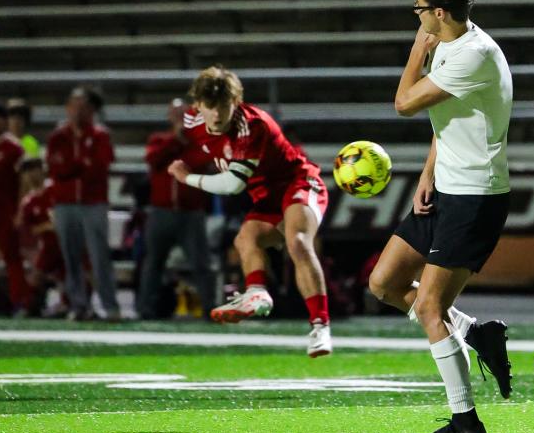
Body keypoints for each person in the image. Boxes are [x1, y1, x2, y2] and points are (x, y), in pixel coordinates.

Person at [368, 0, 512, 433]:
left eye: (421, 10)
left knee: (429, 307)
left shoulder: (473, 54)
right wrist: (427, 174)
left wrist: (415, 51)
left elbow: (405, 103)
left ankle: (466, 422)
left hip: (475, 196)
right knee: (385, 283)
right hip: (447, 188)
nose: (418, 17)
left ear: (442, 14)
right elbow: (446, 116)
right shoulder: (455, 44)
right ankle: (474, 332)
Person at [168, 66, 332, 356]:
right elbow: (208, 149)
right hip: (267, 195)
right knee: (245, 238)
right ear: (198, 105)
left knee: (297, 242)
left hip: (298, 182)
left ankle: (320, 326)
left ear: (236, 102)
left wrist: (187, 177)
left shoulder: (252, 125)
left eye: (224, 106)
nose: (217, 114)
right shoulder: (192, 121)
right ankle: (256, 292)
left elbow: (232, 184)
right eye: (210, 106)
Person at [137, 99, 216, 320]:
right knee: (153, 262)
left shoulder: (200, 142)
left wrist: (186, 141)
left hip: (191, 212)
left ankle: (210, 308)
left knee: (201, 263)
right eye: (177, 114)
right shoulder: (159, 140)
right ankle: (146, 308)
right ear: (170, 117)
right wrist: (176, 141)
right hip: (161, 211)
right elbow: (153, 160)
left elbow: (202, 164)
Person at [46, 87, 118, 321]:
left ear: (91, 110)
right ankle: (78, 305)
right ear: (67, 108)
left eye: (83, 107)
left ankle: (110, 306)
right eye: (74, 106)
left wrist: (74, 167)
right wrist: (80, 165)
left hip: (93, 202)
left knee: (99, 257)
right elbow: (57, 169)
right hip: (65, 203)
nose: (78, 112)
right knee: (71, 256)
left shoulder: (100, 135)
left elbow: (99, 167)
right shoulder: (58, 137)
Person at [17, 158, 68, 316]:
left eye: (34, 170)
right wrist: (48, 226)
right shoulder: (29, 201)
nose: (31, 176)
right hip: (48, 246)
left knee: (73, 275)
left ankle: (68, 304)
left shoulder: (55, 189)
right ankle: (29, 307)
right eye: (27, 172)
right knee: (36, 276)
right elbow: (30, 228)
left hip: (65, 243)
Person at [0, 103, 31, 316]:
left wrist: (21, 209)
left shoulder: (14, 147)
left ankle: (21, 302)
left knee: (12, 258)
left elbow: (24, 181)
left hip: (5, 210)